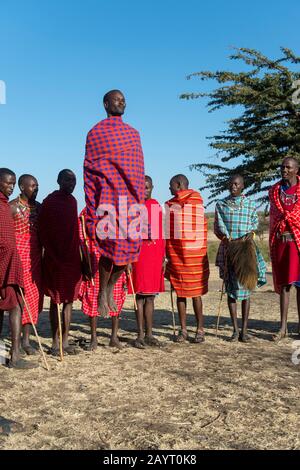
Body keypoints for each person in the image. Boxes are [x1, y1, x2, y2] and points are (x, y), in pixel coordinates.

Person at [84, 90, 144, 318]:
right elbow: (89, 169)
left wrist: (139, 198)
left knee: (129, 250)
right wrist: (92, 203)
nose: (121, 103)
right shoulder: (95, 133)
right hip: (107, 196)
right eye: (117, 100)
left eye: (124, 100)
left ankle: (110, 287)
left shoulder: (133, 134)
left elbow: (138, 168)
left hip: (130, 198)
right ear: (106, 104)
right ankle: (102, 291)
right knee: (109, 247)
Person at [214, 174, 266, 342]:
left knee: (246, 289)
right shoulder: (221, 205)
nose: (233, 187)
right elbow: (218, 226)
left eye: (236, 184)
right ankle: (235, 330)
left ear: (243, 186)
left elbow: (254, 224)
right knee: (231, 290)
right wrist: (228, 239)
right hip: (229, 249)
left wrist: (249, 235)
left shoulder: (250, 205)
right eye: (231, 184)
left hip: (246, 250)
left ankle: (244, 331)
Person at [38, 169, 82, 355]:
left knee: (69, 301)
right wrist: (51, 253)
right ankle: (55, 342)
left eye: (73, 181)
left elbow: (74, 231)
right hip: (54, 258)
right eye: (67, 180)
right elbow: (43, 230)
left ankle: (65, 340)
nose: (71, 184)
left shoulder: (73, 202)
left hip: (72, 258)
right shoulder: (49, 202)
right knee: (56, 300)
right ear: (58, 181)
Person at [165, 174, 209, 343]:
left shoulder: (196, 200)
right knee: (180, 292)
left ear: (178, 184)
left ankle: (200, 329)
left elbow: (197, 225)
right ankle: (183, 330)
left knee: (196, 293)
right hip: (176, 255)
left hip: (194, 256)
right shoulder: (171, 205)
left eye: (170, 185)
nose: (169, 189)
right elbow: (168, 229)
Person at [0, 168, 35, 368]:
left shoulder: (5, 205)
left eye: (13, 183)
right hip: (5, 265)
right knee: (14, 306)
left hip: (9, 264)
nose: (11, 187)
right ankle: (13, 357)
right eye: (7, 183)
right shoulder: (5, 206)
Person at [78, 208, 127, 350]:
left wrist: (128, 260)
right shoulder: (86, 213)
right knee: (93, 295)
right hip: (93, 256)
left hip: (114, 255)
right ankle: (94, 338)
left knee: (116, 295)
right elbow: (81, 239)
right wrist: (83, 262)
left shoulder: (118, 210)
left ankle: (114, 337)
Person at [128, 176, 165, 349]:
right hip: (138, 256)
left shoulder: (156, 205)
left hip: (154, 255)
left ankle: (150, 333)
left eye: (148, 187)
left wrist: (164, 257)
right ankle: (140, 334)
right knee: (140, 296)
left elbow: (160, 232)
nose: (145, 190)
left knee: (150, 296)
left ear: (152, 187)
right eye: (141, 188)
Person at [10, 174, 43, 354]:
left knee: (33, 298)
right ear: (22, 187)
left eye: (37, 186)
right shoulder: (12, 207)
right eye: (32, 186)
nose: (35, 189)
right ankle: (17, 341)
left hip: (36, 257)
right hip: (18, 257)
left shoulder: (39, 208)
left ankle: (26, 340)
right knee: (19, 298)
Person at [269, 157, 300, 341]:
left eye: (288, 167)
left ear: (297, 170)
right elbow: (275, 218)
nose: (284, 170)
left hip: (298, 244)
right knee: (285, 286)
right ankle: (283, 328)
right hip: (281, 243)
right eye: (282, 167)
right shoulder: (275, 191)